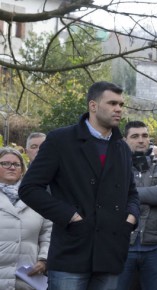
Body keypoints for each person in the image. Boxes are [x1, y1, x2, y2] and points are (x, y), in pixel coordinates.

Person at [19, 81, 140, 290]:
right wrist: (70, 216)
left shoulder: (121, 147)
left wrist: (131, 218)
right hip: (71, 251)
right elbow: (29, 188)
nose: (119, 109)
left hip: (110, 253)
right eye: (112, 103)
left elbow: (132, 193)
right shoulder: (61, 140)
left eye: (121, 104)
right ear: (93, 106)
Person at [116, 121, 157, 290]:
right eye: (135, 136)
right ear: (125, 140)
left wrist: (130, 194)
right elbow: (112, 197)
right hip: (123, 246)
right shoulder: (116, 167)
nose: (141, 140)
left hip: (155, 246)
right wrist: (150, 194)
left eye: (145, 136)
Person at [0, 147, 52, 290]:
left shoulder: (37, 196)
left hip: (26, 277)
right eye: (5, 163)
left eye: (17, 164)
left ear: (22, 169)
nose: (11, 167)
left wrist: (44, 259)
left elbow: (48, 232)